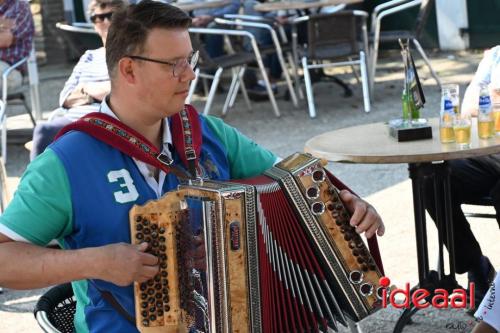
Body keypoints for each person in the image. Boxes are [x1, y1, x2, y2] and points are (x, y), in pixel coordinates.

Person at [0, 2, 385, 332]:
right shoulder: (67, 161)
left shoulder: (208, 134)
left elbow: (293, 186)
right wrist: (96, 261)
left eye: (190, 60)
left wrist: (343, 206)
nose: (189, 74)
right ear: (129, 70)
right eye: (173, 64)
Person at [424, 47, 499, 309]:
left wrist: (492, 99)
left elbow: (483, 104)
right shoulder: (495, 57)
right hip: (487, 156)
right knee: (432, 178)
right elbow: (467, 108)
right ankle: (475, 266)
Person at [29, 0, 126, 160]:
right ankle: (35, 184)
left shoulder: (130, 55)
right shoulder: (89, 56)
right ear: (93, 23)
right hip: (73, 120)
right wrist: (95, 94)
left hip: (107, 122)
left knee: (57, 138)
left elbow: (120, 92)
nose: (106, 22)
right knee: (44, 129)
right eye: (99, 17)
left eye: (111, 16)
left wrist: (85, 88)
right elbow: (64, 97)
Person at [0, 0, 34, 90]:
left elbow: (5, 40)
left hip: (10, 70)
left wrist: (4, 31)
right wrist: (4, 25)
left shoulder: (20, 7)